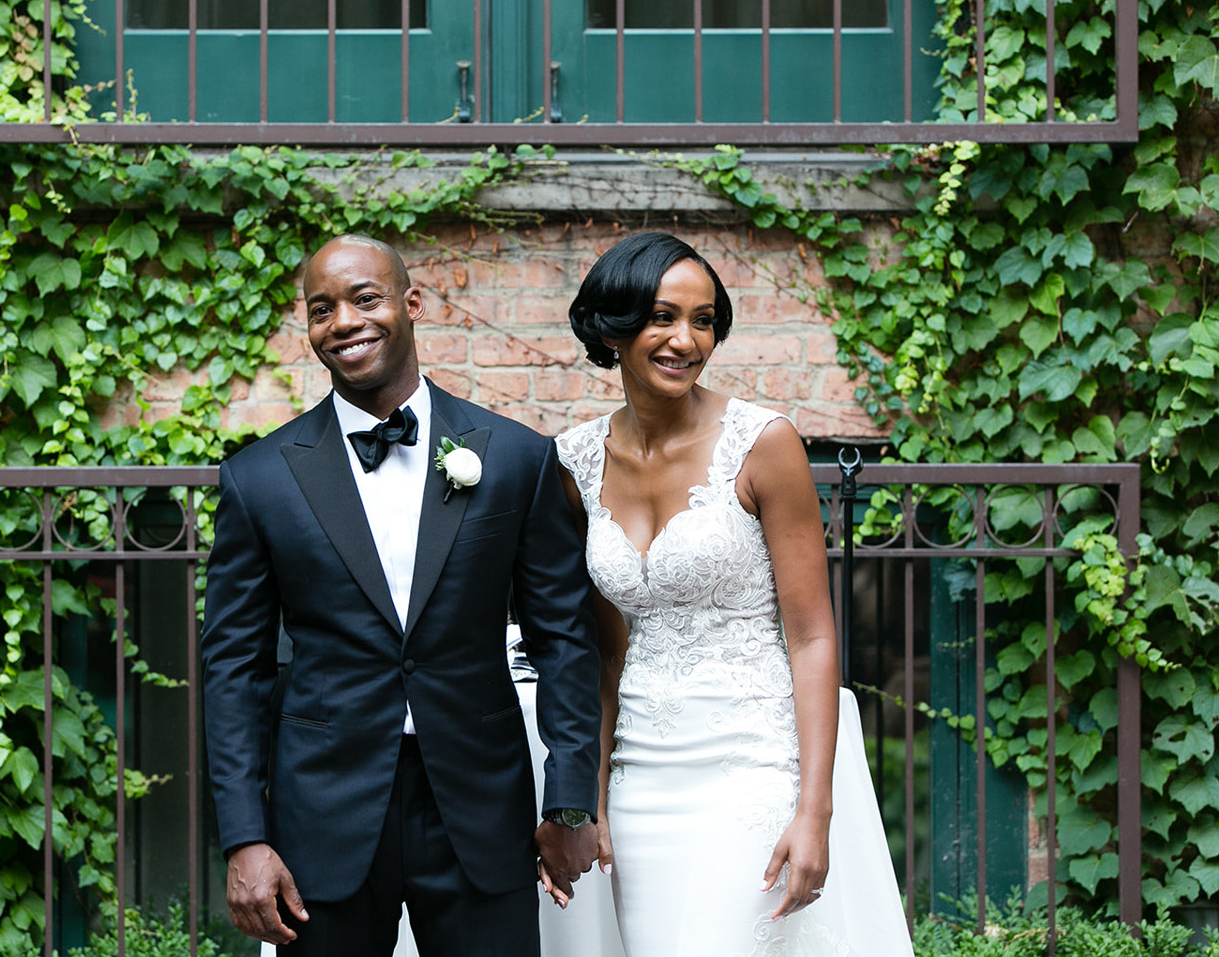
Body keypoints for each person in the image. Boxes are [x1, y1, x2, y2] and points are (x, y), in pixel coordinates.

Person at [201, 234, 603, 957]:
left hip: (482, 812)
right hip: (322, 819)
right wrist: (244, 838)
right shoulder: (258, 480)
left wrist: (571, 800)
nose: (344, 322)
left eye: (365, 298)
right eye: (321, 309)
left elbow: (566, 639)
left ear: (411, 304)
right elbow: (235, 670)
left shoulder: (516, 460)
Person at [552, 232, 913, 956]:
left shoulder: (763, 442)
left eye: (705, 319)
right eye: (662, 316)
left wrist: (814, 811)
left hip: (749, 769)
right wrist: (589, 797)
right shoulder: (573, 461)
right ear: (613, 326)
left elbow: (812, 635)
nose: (686, 340)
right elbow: (604, 652)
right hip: (639, 776)